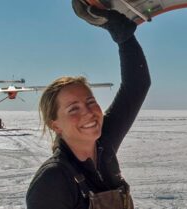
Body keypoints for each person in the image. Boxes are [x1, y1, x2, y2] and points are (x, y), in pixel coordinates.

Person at [26, 2, 150, 209]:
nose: (88, 113)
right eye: (73, 109)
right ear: (55, 125)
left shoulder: (104, 145)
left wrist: (125, 38)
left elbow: (137, 86)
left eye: (90, 102)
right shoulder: (53, 180)